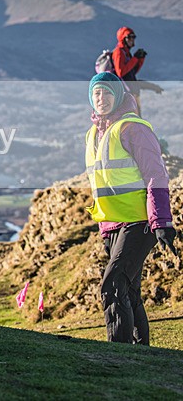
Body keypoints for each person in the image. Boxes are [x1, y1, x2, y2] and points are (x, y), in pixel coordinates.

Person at [85, 72, 176, 345]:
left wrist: (161, 222)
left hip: (140, 222)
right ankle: (141, 353)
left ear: (120, 96)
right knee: (129, 291)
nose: (101, 98)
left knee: (112, 286)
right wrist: (105, 227)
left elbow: (156, 177)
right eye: (96, 93)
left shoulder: (133, 128)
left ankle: (120, 353)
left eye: (107, 92)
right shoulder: (93, 134)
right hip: (113, 225)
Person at [111, 26, 162, 116]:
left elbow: (131, 73)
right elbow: (121, 72)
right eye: (129, 37)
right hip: (125, 96)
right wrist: (135, 58)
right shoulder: (119, 52)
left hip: (132, 94)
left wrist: (140, 59)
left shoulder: (126, 53)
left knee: (137, 122)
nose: (132, 39)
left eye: (133, 37)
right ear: (123, 38)